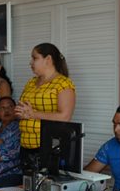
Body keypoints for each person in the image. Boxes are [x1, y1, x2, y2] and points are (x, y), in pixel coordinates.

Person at [14, 43, 75, 172]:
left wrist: (33, 114)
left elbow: (65, 117)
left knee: (44, 188)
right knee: (27, 186)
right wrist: (21, 112)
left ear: (48, 60)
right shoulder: (31, 82)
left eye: (35, 58)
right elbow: (24, 109)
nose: (31, 62)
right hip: (25, 146)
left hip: (48, 148)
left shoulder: (63, 83)